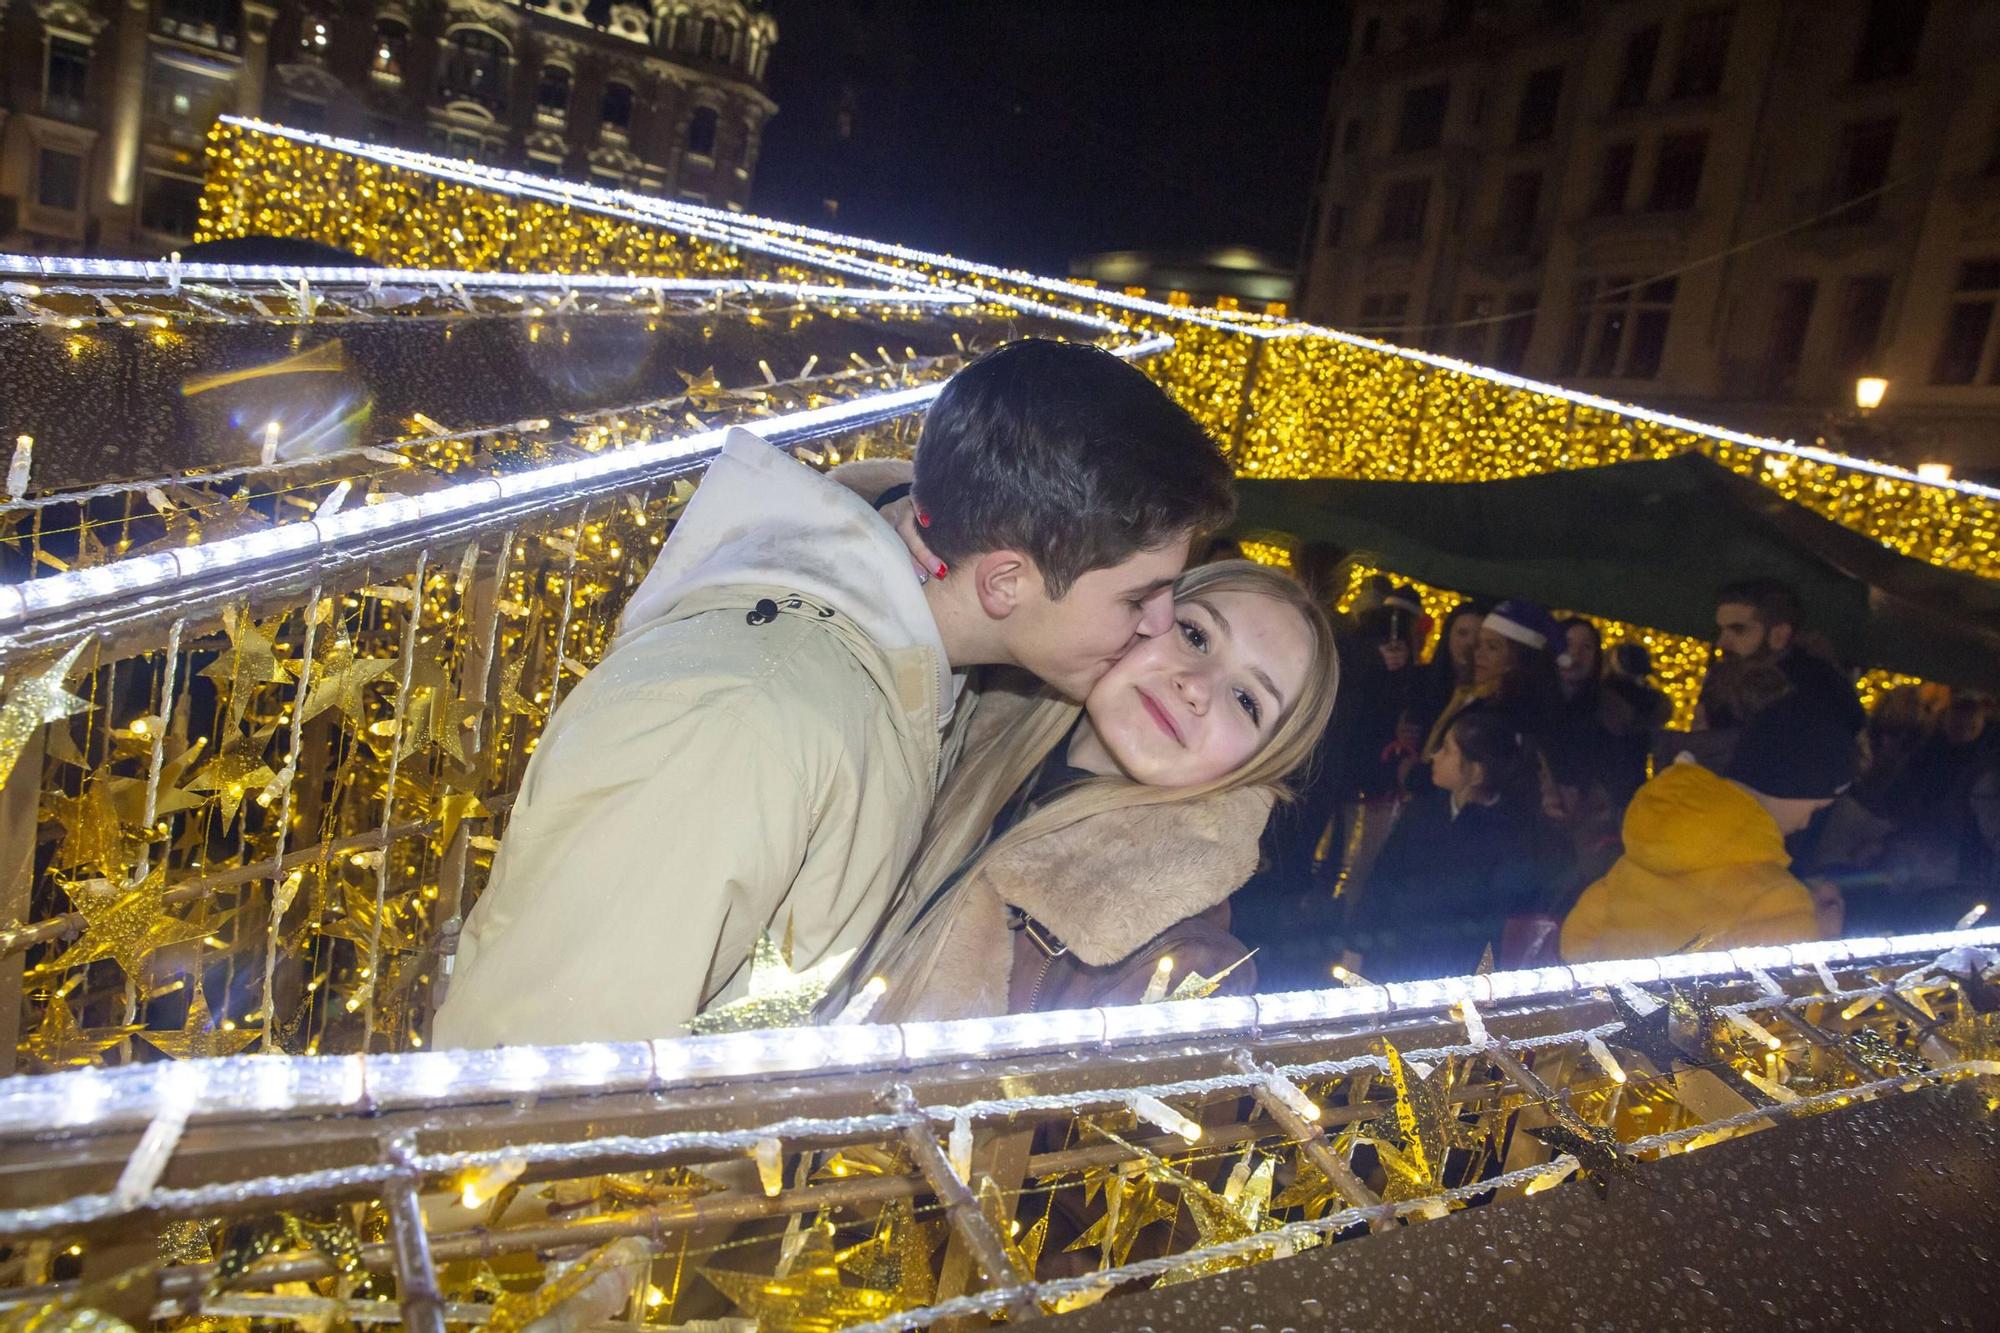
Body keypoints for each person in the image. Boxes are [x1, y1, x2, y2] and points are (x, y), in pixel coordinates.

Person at [433, 340, 1236, 1048]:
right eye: (1139, 598)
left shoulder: (918, 669)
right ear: (1006, 581)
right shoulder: (747, 719)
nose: (1158, 627)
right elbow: (528, 1084)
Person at [856, 561, 1337, 1021]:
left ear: (1257, 762)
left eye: (1247, 700)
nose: (1197, 687)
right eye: (1196, 635)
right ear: (1138, 614)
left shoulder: (1183, 966)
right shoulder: (962, 709)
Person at [1560, 690, 1860, 961]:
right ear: (1797, 789)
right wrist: (1823, 938)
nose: (1807, 822)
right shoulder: (1775, 901)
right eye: (1817, 807)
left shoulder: (1652, 840)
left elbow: (1576, 942)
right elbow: (1779, 1015)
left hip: (1603, 1019)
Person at [1344, 708, 1561, 981]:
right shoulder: (1424, 812)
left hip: (1449, 971)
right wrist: (1355, 945)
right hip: (1389, 958)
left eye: (1446, 750)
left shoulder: (1508, 836)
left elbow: (1496, 921)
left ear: (1476, 771)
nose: (1434, 756)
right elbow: (1382, 879)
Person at [1713, 577, 1865, 736]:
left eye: (1738, 630)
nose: (1722, 643)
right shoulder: (1725, 678)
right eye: (1721, 630)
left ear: (1779, 635)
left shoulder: (1818, 688)